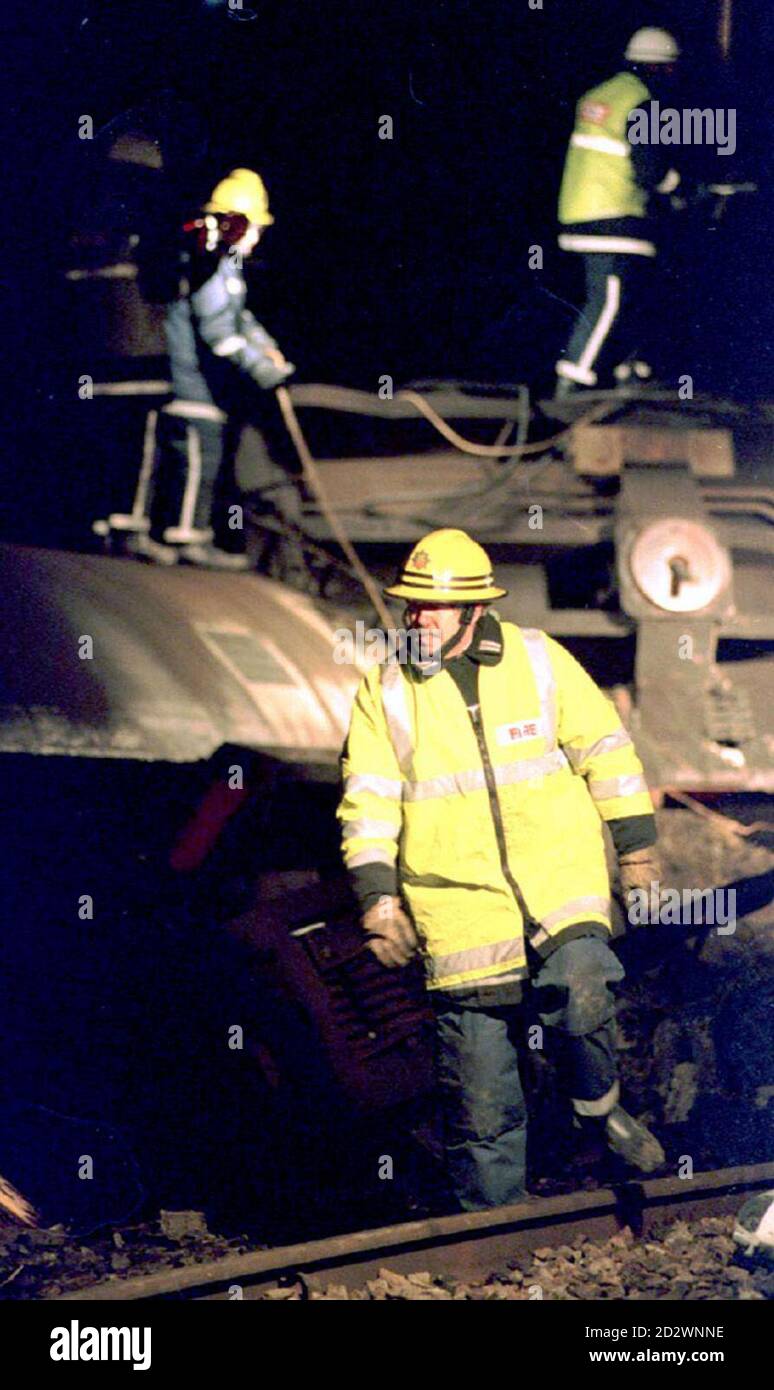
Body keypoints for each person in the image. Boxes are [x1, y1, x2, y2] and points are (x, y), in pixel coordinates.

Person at [337, 528, 665, 1211]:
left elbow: (607, 751)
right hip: (460, 915)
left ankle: (598, 1109)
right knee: (482, 1102)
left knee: (583, 994)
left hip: (560, 887)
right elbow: (368, 805)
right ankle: (494, 1237)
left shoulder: (540, 661)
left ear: (475, 611)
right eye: (411, 604)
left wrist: (636, 852)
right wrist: (378, 902)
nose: (416, 618)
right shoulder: (384, 689)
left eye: (432, 606)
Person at [128, 168, 305, 573]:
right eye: (254, 227)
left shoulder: (227, 268)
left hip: (202, 388)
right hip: (193, 386)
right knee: (198, 460)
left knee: (199, 459)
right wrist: (264, 372)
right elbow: (220, 333)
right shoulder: (212, 268)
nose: (257, 236)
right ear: (235, 224)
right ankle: (187, 537)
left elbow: (240, 321)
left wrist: (267, 349)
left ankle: (184, 533)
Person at [554, 28, 683, 397]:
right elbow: (649, 169)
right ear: (662, 69)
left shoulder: (601, 94)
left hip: (579, 211)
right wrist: (680, 186)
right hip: (615, 216)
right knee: (610, 299)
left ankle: (630, 369)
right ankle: (574, 377)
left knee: (633, 292)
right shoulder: (644, 103)